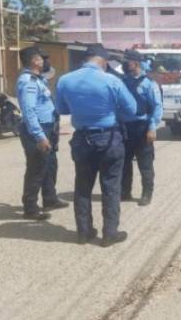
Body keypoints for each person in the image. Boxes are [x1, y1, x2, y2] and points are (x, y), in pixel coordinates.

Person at [56, 44, 137, 247]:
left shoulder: (65, 80)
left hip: (82, 139)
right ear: (103, 61)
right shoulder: (111, 81)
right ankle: (110, 233)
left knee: (82, 186)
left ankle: (83, 232)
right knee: (111, 187)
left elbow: (62, 108)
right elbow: (132, 109)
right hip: (109, 139)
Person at [17, 46, 68, 221]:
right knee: (36, 168)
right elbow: (29, 111)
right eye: (43, 58)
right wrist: (40, 136)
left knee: (50, 165)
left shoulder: (39, 79)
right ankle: (30, 208)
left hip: (49, 126)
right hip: (38, 130)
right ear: (34, 61)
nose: (47, 61)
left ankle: (50, 198)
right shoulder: (28, 81)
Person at [120, 50, 163, 206]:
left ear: (135, 63)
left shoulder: (149, 83)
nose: (124, 64)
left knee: (145, 164)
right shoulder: (123, 82)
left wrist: (152, 127)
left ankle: (147, 193)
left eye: (127, 61)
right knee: (124, 162)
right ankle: (125, 191)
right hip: (125, 128)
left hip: (143, 127)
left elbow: (157, 107)